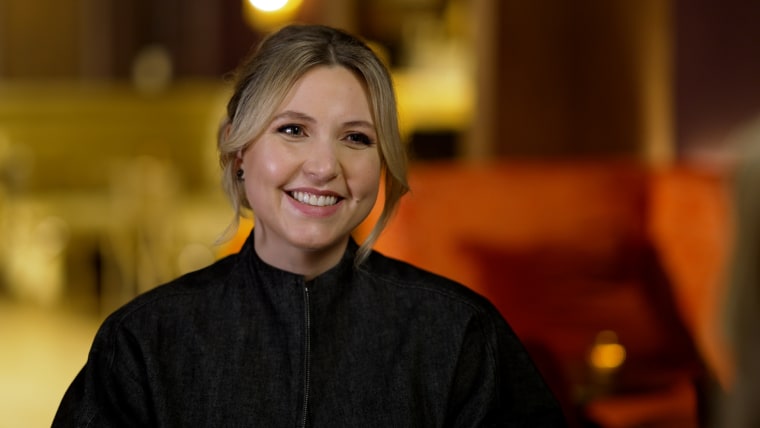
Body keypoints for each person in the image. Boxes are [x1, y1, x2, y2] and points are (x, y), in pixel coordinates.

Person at [52, 24, 565, 427]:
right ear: (237, 148)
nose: (323, 167)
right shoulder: (143, 342)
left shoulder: (460, 334)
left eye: (357, 138)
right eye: (293, 130)